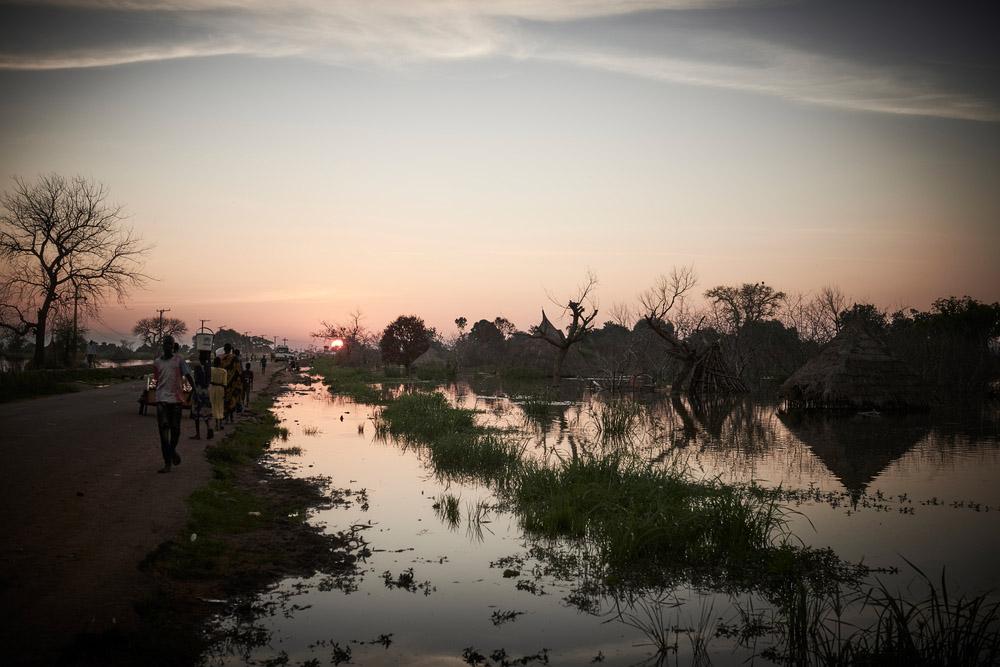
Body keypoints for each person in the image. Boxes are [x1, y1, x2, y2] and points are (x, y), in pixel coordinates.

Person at [153, 335, 195, 473]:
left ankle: (172, 451)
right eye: (165, 344)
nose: (167, 346)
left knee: (175, 430)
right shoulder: (157, 362)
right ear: (163, 345)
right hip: (161, 400)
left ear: (173, 346)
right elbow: (157, 380)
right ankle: (167, 463)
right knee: (164, 431)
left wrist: (195, 392)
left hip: (176, 400)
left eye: (170, 344)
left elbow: (188, 375)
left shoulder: (179, 360)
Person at [190, 351, 213, 440]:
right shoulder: (208, 368)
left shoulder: (197, 367)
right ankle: (209, 428)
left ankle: (198, 434)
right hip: (206, 391)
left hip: (198, 390)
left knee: (196, 413)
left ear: (199, 358)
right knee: (205, 411)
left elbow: (196, 380)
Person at [220, 343, 242, 423]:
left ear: (224, 349)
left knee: (225, 400)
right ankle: (231, 417)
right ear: (231, 349)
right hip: (233, 383)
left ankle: (226, 418)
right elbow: (238, 371)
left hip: (223, 382)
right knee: (232, 400)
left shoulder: (220, 358)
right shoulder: (235, 358)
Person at [209, 356, 227, 432]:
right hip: (221, 389)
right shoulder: (224, 371)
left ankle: (216, 423)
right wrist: (225, 393)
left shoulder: (211, 370)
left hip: (213, 388)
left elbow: (209, 380)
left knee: (214, 405)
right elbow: (225, 384)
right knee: (220, 405)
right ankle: (221, 423)